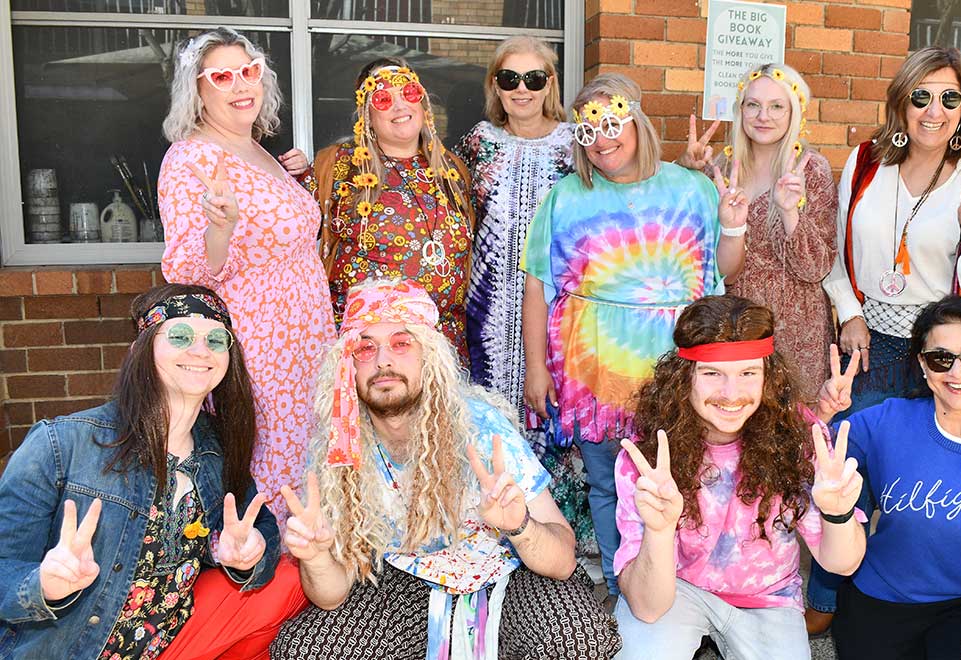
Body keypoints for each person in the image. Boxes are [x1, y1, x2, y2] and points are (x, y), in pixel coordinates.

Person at [269, 279, 620, 660]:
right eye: (365, 347)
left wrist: (519, 526)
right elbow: (331, 593)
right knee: (304, 650)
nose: (383, 359)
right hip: (403, 577)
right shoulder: (337, 445)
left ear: (429, 355)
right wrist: (317, 557)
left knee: (580, 637)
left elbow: (564, 558)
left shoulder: (481, 426)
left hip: (507, 568)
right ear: (348, 366)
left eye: (401, 343)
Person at [809, 45, 961, 632]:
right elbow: (834, 250)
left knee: (924, 480)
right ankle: (823, 601)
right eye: (921, 96)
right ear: (901, 103)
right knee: (846, 471)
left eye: (949, 97)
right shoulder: (866, 163)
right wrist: (849, 312)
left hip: (940, 354)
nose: (934, 110)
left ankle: (911, 600)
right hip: (869, 343)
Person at [521, 73, 748, 596]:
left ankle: (684, 586)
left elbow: (724, 270)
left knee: (684, 480)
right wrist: (537, 367)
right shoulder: (564, 197)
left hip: (678, 369)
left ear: (636, 121)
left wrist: (732, 224)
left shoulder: (691, 188)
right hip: (593, 372)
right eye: (587, 131)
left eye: (611, 123)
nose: (601, 141)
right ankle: (627, 586)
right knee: (608, 484)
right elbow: (538, 288)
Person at [0, 284, 307, 659]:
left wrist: (249, 556)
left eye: (216, 338)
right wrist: (44, 586)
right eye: (180, 335)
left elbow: (257, 531)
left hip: (165, 644)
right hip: (70, 649)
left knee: (290, 579)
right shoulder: (59, 445)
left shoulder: (217, 448)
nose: (200, 350)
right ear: (140, 351)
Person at [611, 295, 867, 659]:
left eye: (748, 373)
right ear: (684, 378)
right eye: (713, 373)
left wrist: (838, 514)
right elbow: (648, 607)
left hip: (769, 596)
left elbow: (841, 563)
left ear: (768, 376)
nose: (731, 395)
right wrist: (658, 529)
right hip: (676, 587)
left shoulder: (798, 440)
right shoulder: (649, 457)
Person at [159, 28, 336, 521]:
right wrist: (221, 227)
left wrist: (295, 184)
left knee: (312, 459)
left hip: (309, 339)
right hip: (260, 349)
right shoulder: (191, 158)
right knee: (270, 470)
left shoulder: (259, 150)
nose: (240, 85)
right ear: (197, 90)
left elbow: (285, 235)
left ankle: (312, 574)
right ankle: (266, 576)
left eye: (249, 71)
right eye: (221, 75)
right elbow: (187, 270)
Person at [816, 295, 961, 660]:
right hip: (883, 597)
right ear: (922, 366)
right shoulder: (887, 421)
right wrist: (822, 414)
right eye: (941, 358)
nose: (957, 373)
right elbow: (806, 463)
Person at [453, 37, 591, 551]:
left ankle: (556, 541)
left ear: (551, 83)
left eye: (535, 78)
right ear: (495, 85)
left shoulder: (577, 144)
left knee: (555, 418)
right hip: (486, 306)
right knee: (485, 415)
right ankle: (492, 530)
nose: (523, 89)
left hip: (560, 310)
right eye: (510, 78)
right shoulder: (477, 142)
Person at [679, 63, 838, 403]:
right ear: (741, 110)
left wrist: (788, 210)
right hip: (732, 324)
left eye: (776, 106)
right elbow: (695, 256)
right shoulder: (720, 170)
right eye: (753, 105)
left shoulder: (811, 170)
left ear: (795, 112)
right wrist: (688, 173)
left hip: (796, 329)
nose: (763, 115)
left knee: (790, 433)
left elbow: (815, 268)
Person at [311, 58, 475, 365]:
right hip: (370, 353)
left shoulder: (453, 171)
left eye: (409, 93)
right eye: (383, 99)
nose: (399, 106)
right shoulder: (338, 167)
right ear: (366, 115)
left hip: (442, 349)